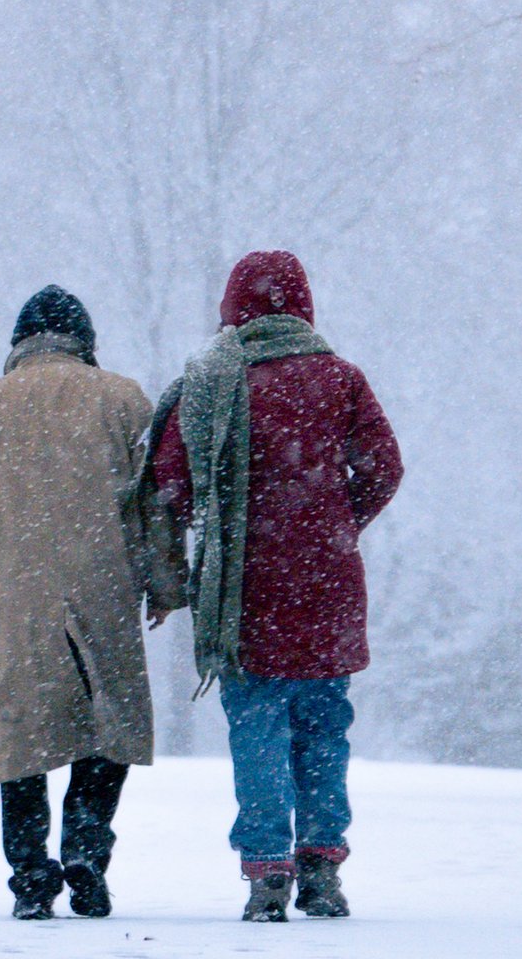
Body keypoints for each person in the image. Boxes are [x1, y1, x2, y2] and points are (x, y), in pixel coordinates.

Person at [0, 283, 183, 918]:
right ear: (85, 343)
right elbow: (156, 504)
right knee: (106, 720)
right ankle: (87, 846)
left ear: (18, 344)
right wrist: (167, 584)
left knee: (20, 737)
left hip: (15, 597)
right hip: (103, 584)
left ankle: (32, 875)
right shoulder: (123, 399)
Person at [148, 247, 403, 923]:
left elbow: (170, 477)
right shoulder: (341, 378)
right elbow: (384, 466)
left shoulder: (213, 383)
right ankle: (322, 865)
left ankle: (267, 873)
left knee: (257, 728)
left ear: (233, 308)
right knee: (324, 728)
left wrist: (220, 523)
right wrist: (337, 521)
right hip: (328, 586)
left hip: (247, 591)